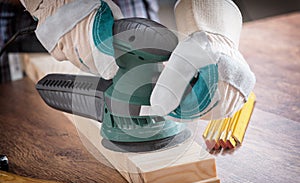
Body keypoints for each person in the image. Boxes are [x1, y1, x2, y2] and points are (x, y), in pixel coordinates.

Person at [19, 0, 255, 120]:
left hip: (134, 11)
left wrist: (212, 29)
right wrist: (52, 5)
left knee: (146, 48)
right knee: (19, 115)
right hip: (21, 30)